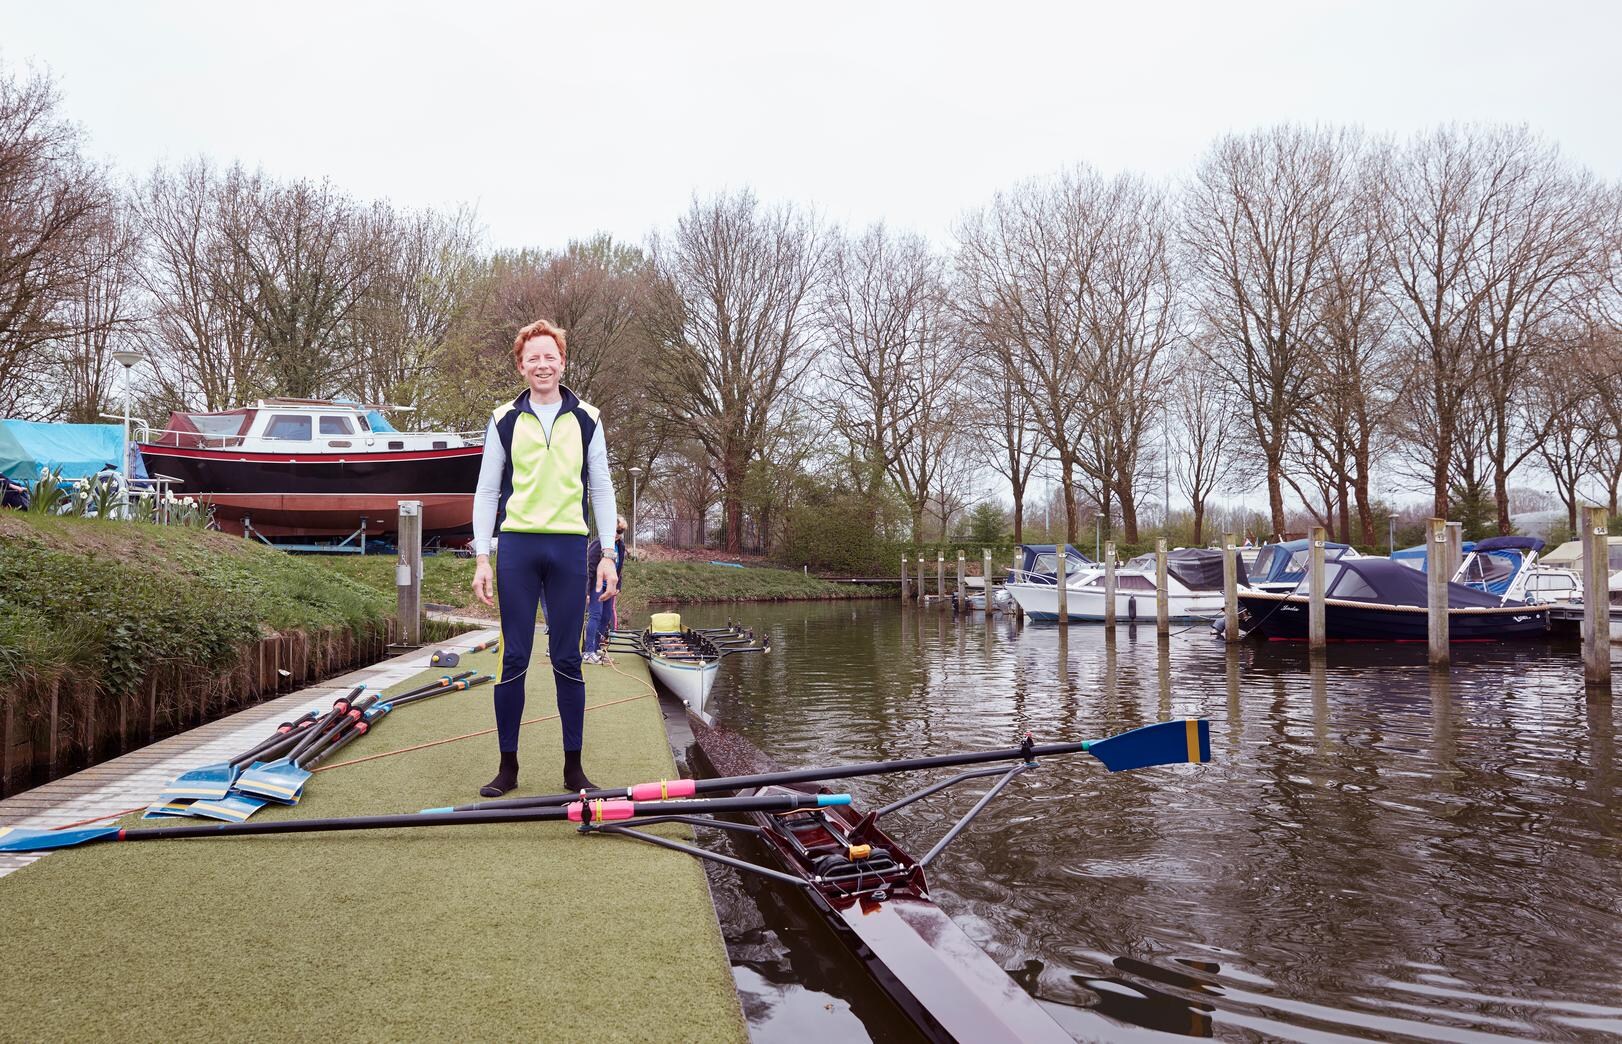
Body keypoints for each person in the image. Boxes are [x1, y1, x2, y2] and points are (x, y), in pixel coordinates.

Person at [471, 318, 619, 797]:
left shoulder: (588, 418)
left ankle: (573, 768)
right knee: (513, 656)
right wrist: (482, 558)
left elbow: (601, 487)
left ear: (562, 361)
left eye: (549, 356)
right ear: (521, 365)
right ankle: (507, 767)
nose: (541, 364)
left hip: (569, 547)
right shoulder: (503, 420)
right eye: (532, 357)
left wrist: (608, 554)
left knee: (567, 658)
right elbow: (487, 490)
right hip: (517, 547)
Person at [583, 516, 627, 664]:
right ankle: (588, 652)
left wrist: (618, 586)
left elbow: (619, 568)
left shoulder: (620, 545)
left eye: (621, 531)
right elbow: (590, 567)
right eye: (616, 530)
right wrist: (588, 592)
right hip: (597, 585)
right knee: (595, 615)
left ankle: (595, 648)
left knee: (606, 616)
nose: (618, 534)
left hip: (610, 587)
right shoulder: (598, 543)